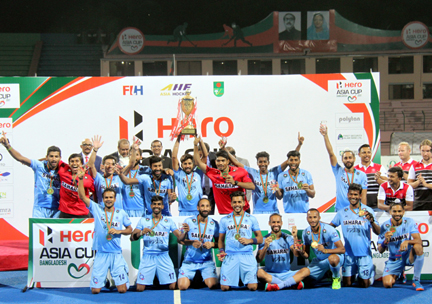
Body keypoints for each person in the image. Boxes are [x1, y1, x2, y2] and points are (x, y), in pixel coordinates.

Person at [77, 168, 132, 294]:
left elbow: (130, 229)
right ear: (103, 198)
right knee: (95, 291)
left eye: (111, 197)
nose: (108, 199)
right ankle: (105, 278)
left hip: (116, 253)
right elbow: (81, 196)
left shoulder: (121, 213)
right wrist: (80, 179)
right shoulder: (97, 209)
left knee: (122, 290)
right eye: (106, 197)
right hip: (101, 253)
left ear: (115, 198)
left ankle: (119, 278)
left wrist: (119, 232)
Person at [130, 195, 188, 291]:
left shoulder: (168, 221)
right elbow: (132, 238)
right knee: (140, 288)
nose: (156, 206)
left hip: (163, 255)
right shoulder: (144, 220)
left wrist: (185, 232)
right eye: (154, 204)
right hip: (148, 256)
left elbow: (180, 237)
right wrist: (141, 233)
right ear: (151, 206)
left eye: (159, 204)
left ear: (163, 206)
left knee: (173, 286)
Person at [330, 183, 380, 288]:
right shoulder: (342, 212)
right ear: (347, 195)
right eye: (351, 194)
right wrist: (318, 225)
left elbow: (378, 232)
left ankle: (370, 272)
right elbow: (330, 227)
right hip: (348, 254)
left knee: (364, 285)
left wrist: (372, 221)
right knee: (347, 284)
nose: (353, 197)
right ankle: (358, 273)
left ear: (360, 196)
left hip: (364, 253)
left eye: (356, 194)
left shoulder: (368, 211)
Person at [0, 134, 61, 218]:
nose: (54, 159)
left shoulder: (63, 170)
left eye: (56, 156)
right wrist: (8, 146)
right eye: (51, 156)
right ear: (46, 157)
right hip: (39, 208)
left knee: (56, 231)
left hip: (57, 209)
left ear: (60, 158)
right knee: (37, 231)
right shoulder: (39, 166)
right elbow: (20, 158)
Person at [193, 136, 255, 214]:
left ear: (228, 161)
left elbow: (252, 186)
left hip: (242, 211)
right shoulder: (213, 173)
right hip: (224, 213)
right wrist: (195, 145)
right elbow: (198, 162)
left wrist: (235, 183)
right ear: (215, 162)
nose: (220, 163)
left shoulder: (239, 171)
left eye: (223, 161)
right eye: (218, 161)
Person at [217, 191, 263, 291]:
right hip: (230, 255)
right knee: (224, 288)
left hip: (247, 255)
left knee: (253, 287)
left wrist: (249, 240)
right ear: (231, 203)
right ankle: (237, 277)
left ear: (244, 203)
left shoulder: (251, 219)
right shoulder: (224, 220)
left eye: (239, 202)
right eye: (234, 202)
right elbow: (220, 240)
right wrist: (221, 251)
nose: (237, 205)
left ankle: (242, 278)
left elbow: (260, 238)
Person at [377, 203, 425, 291]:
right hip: (394, 259)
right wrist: (385, 241)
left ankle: (416, 280)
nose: (397, 214)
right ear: (390, 212)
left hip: (407, 256)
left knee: (418, 247)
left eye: (399, 211)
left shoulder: (409, 222)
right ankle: (399, 273)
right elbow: (380, 250)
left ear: (403, 212)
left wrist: (407, 241)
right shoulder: (385, 226)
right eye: (394, 211)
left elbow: (419, 240)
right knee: (387, 284)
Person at [320, 124, 367, 211]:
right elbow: (331, 153)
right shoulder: (338, 171)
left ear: (354, 159)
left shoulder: (362, 175)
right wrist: (325, 136)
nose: (348, 160)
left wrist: (363, 210)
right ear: (342, 160)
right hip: (340, 210)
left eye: (350, 158)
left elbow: (363, 195)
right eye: (345, 158)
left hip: (356, 209)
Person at [257, 213, 309, 291]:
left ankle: (279, 285)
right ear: (269, 223)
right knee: (259, 273)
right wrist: (265, 247)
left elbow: (296, 254)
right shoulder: (264, 239)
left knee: (306, 270)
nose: (276, 224)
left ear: (281, 223)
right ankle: (290, 284)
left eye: (278, 222)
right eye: (273, 222)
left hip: (287, 274)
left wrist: (295, 237)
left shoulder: (287, 237)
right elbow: (259, 260)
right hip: (271, 274)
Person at [297, 209, 345, 289]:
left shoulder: (329, 229)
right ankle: (324, 274)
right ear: (307, 219)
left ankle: (336, 278)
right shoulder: (306, 232)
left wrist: (325, 250)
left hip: (335, 257)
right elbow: (307, 255)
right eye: (310, 217)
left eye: (315, 217)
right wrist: (301, 251)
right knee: (306, 281)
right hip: (319, 261)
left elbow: (342, 249)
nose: (312, 220)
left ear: (319, 218)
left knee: (332, 259)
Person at [178, 198, 219, 290]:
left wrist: (212, 244)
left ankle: (200, 277)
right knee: (182, 286)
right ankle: (196, 277)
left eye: (207, 206)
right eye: (202, 206)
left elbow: (220, 244)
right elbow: (179, 240)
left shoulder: (214, 224)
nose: (205, 208)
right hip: (189, 262)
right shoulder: (188, 221)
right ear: (197, 208)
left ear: (210, 208)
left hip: (206, 262)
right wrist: (187, 236)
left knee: (213, 286)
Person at [88, 136, 124, 210]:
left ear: (115, 166)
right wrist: (95, 150)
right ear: (102, 166)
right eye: (107, 164)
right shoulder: (99, 178)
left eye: (112, 164)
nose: (110, 166)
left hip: (118, 212)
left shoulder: (120, 178)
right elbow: (91, 165)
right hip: (102, 212)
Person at [57, 153, 95, 218]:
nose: (74, 163)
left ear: (82, 164)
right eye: (72, 161)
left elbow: (94, 192)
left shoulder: (87, 178)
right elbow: (54, 159)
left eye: (77, 161)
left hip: (82, 213)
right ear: (69, 164)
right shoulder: (63, 171)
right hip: (65, 212)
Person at [172, 136, 203, 216]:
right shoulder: (179, 174)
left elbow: (202, 157)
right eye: (185, 164)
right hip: (183, 211)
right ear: (181, 165)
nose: (187, 166)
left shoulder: (198, 173)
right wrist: (178, 139)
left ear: (193, 164)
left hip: (198, 210)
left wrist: (196, 144)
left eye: (189, 163)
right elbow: (174, 157)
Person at [354, 144, 388, 211]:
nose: (367, 154)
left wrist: (379, 177)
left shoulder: (380, 167)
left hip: (377, 206)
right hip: (360, 206)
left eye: (369, 152)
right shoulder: (355, 169)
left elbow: (387, 183)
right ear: (359, 154)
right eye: (364, 152)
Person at [121, 146, 151, 217]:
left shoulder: (145, 170)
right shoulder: (123, 170)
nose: (134, 157)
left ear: (141, 157)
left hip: (140, 208)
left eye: (136, 155)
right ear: (129, 156)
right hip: (126, 209)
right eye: (131, 155)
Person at [408, 139, 432, 210]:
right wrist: (417, 182)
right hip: (418, 202)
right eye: (423, 151)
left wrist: (425, 184)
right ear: (420, 150)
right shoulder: (414, 166)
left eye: (427, 151)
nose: (425, 154)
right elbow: (409, 185)